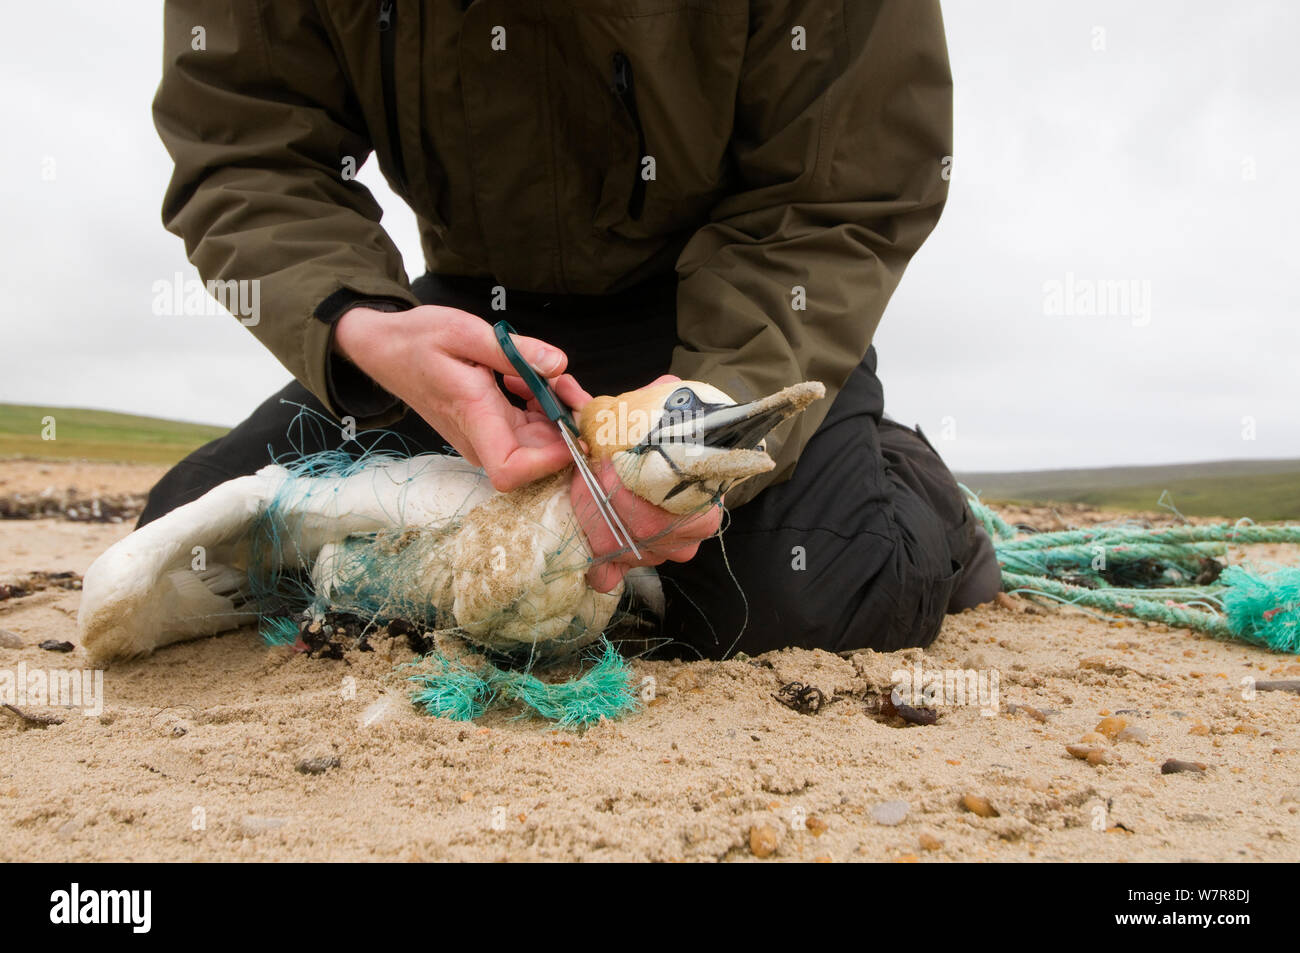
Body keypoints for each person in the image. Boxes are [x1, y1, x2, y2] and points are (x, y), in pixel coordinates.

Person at [142, 0, 1001, 659]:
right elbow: (245, 146)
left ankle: (916, 493)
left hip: (736, 306)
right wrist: (366, 328)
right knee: (195, 542)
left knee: (801, 600)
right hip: (481, 329)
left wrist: (711, 405)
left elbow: (841, 191)